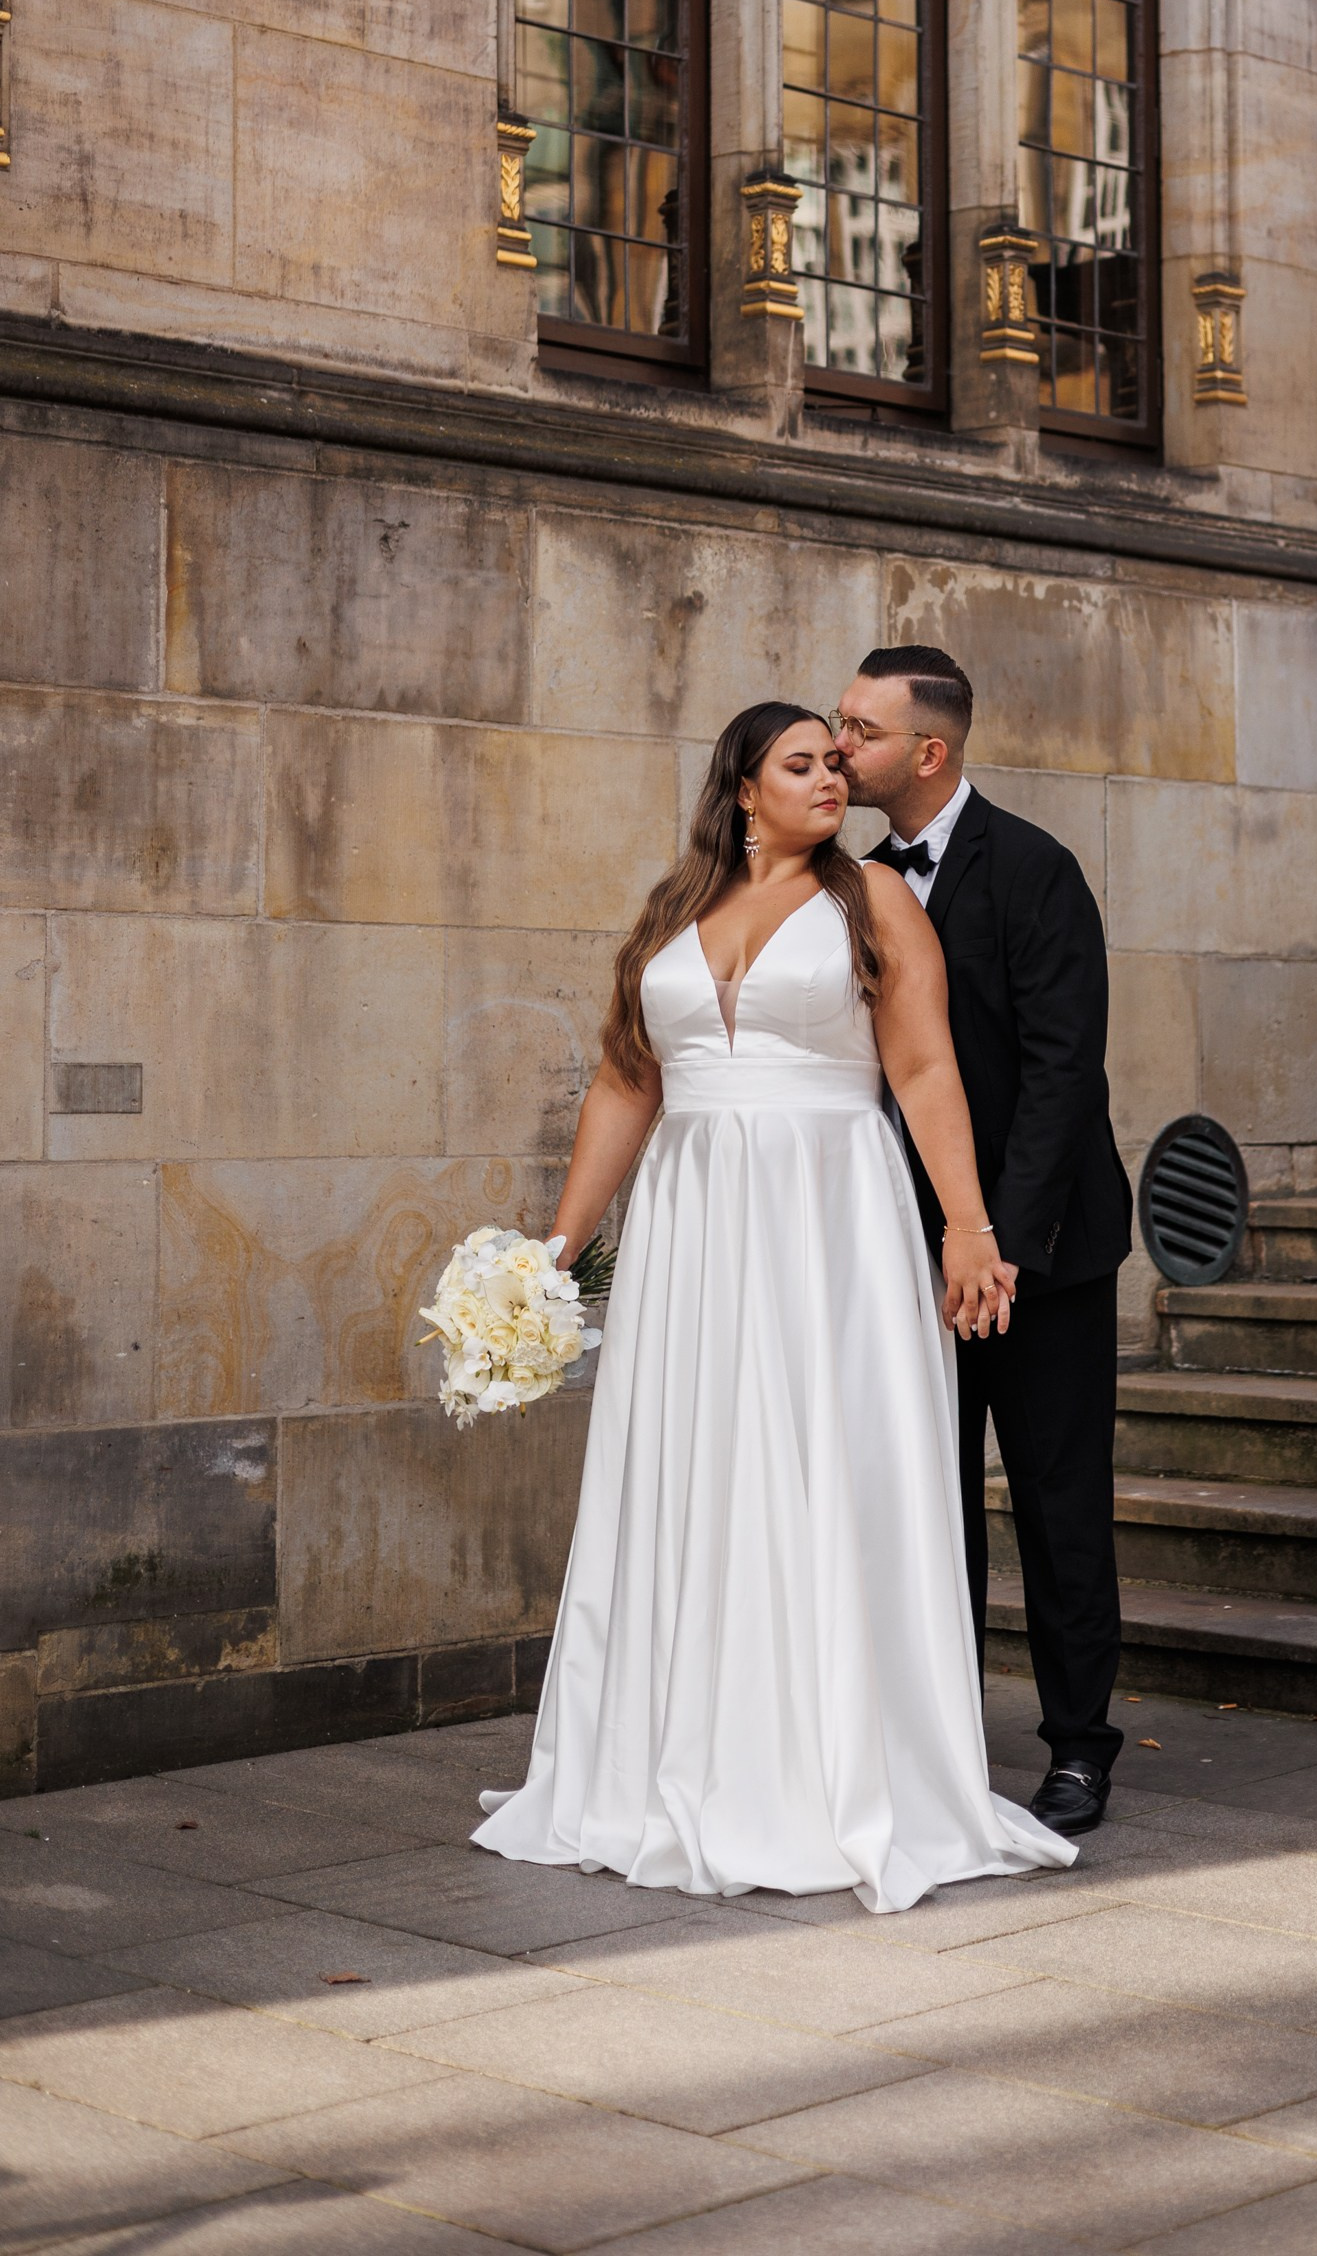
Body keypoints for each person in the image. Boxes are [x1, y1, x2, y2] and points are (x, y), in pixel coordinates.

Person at [473, 702, 1072, 1912]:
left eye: (836, 765)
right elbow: (622, 1086)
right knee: (693, 1470)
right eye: (800, 765)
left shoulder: (874, 903)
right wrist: (554, 1249)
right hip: (693, 1225)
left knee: (822, 1466)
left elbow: (920, 1068)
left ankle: (828, 1773)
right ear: (741, 788)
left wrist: (967, 1225)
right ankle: (670, 1758)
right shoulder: (669, 914)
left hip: (829, 1219)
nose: (829, 781)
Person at [834, 646, 1131, 1838]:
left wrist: (993, 1241)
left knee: (1059, 1503)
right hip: (897, 1253)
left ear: (928, 751)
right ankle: (943, 1739)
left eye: (858, 728)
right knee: (923, 1502)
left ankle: (1076, 1748)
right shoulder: (844, 882)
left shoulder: (1035, 869)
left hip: (1043, 1256)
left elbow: (1064, 1073)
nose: (838, 743)